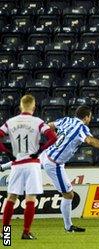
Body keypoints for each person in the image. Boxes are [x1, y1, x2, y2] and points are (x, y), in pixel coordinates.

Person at [40, 106, 99, 232]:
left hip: (47, 153)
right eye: (90, 117)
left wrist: (54, 136)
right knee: (68, 195)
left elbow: (47, 126)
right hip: (54, 163)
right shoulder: (81, 127)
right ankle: (68, 227)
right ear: (86, 117)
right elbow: (90, 141)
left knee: (26, 162)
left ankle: (3, 167)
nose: (90, 119)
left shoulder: (67, 120)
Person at [0, 95, 57, 240]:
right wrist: (39, 150)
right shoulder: (38, 122)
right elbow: (53, 137)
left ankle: (5, 235)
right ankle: (26, 232)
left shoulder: (10, 122)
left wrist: (7, 153)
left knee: (11, 198)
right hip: (32, 164)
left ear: (20, 107)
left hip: (17, 164)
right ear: (34, 107)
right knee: (30, 198)